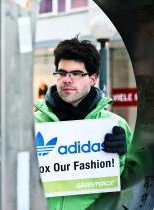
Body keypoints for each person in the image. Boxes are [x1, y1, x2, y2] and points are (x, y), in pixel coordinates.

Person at [34, 37, 132, 210]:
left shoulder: (115, 125)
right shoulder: (32, 124)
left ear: (93, 79)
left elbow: (131, 184)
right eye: (62, 73)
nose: (67, 79)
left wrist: (121, 156)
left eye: (77, 74)